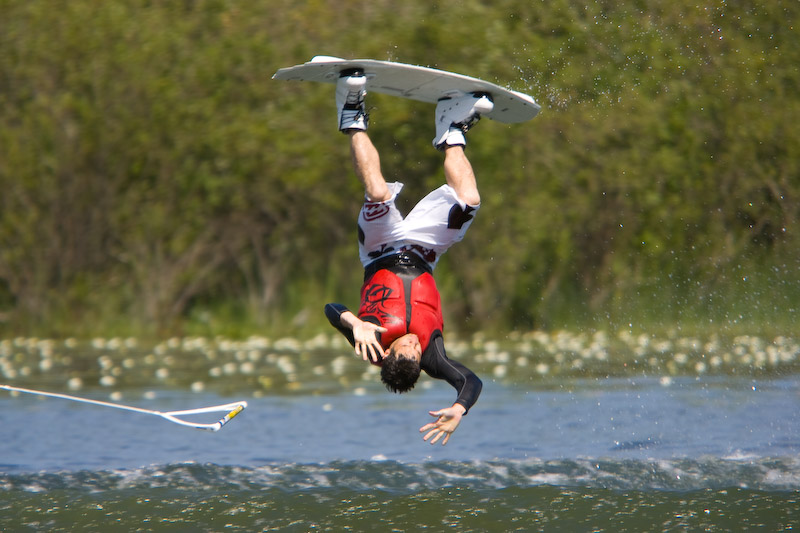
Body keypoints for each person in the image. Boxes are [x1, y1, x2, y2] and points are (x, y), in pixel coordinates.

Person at [324, 70, 491, 446]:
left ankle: (351, 113)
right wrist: (460, 408)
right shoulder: (431, 357)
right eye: (417, 352)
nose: (415, 345)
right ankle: (451, 127)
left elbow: (331, 309)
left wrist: (354, 324)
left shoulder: (371, 342)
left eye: (408, 348)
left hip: (379, 250)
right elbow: (470, 381)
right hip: (425, 252)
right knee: (469, 201)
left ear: (388, 354)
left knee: (378, 193)